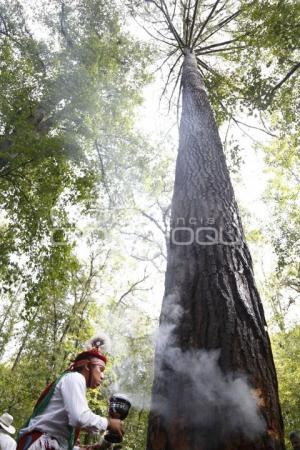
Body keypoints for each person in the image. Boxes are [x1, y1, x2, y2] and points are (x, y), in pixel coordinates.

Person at [17, 341, 124, 450]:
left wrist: (90, 448)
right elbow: (79, 418)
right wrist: (109, 423)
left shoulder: (72, 381)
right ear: (87, 366)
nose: (102, 376)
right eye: (101, 369)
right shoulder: (75, 378)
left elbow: (64, 433)